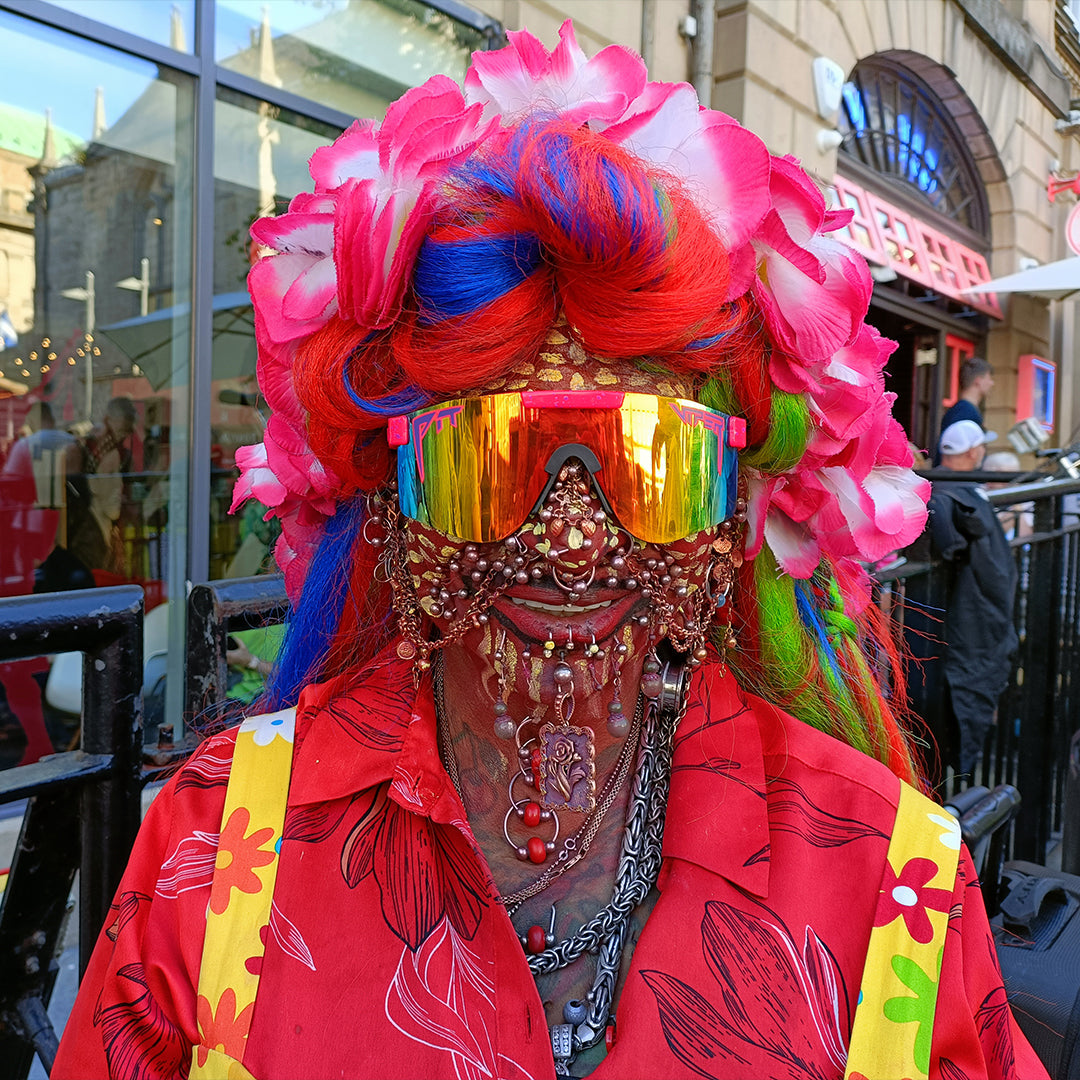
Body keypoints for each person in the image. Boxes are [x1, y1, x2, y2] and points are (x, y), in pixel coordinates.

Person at [54, 24, 1045, 1080]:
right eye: (490, 459)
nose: (570, 538)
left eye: (645, 464)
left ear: (730, 519)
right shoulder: (219, 841)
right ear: (388, 510)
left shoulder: (889, 874)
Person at [928, 421, 1018, 776]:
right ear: (972, 453)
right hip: (958, 634)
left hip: (952, 635)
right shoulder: (960, 494)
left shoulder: (941, 489)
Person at [934, 358, 994, 465]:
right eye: (989, 377)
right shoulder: (966, 412)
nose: (992, 383)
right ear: (978, 381)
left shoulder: (961, 409)